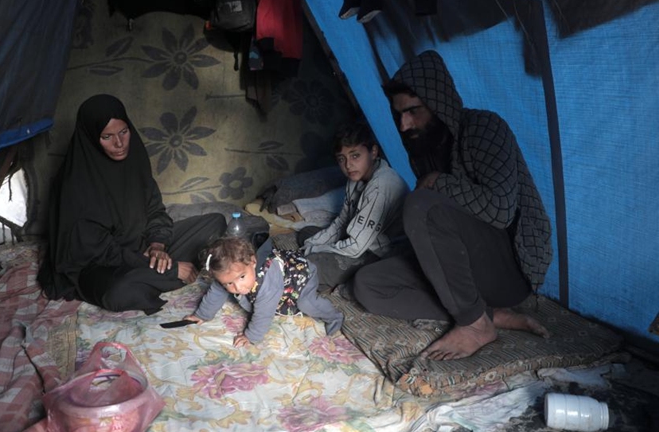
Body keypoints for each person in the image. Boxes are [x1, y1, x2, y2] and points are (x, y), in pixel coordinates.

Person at [352, 50, 554, 360]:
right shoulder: (423, 147)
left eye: (414, 111)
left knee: (420, 204)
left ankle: (475, 326)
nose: (404, 125)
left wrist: (439, 181)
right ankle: (487, 314)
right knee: (368, 285)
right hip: (469, 272)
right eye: (399, 115)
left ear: (439, 102)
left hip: (511, 268)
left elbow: (500, 211)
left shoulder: (484, 128)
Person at [38, 94, 227, 315]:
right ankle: (171, 274)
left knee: (215, 222)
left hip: (142, 247)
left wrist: (157, 246)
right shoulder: (75, 184)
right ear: (91, 138)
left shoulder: (134, 160)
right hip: (100, 266)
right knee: (119, 293)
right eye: (107, 136)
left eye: (123, 132)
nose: (119, 144)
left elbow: (155, 209)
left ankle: (159, 275)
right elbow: (98, 252)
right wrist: (170, 269)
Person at [297, 122, 409, 291]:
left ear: (373, 152)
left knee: (311, 265)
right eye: (342, 159)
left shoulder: (382, 186)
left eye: (355, 156)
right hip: (360, 240)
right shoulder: (355, 178)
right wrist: (312, 244)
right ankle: (327, 268)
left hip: (381, 253)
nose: (348, 165)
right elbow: (342, 221)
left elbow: (356, 247)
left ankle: (338, 279)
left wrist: (315, 250)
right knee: (306, 234)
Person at [184, 236, 343, 346]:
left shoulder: (267, 282)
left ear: (253, 261)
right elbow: (216, 291)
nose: (238, 288)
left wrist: (250, 336)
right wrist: (202, 315)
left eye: (242, 277)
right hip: (281, 280)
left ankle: (335, 317)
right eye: (228, 283)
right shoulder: (229, 275)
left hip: (302, 276)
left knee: (306, 303)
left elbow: (263, 314)